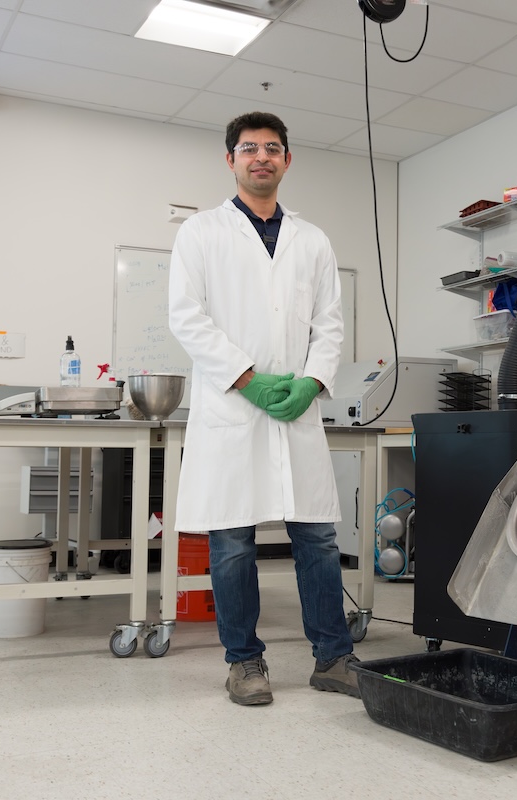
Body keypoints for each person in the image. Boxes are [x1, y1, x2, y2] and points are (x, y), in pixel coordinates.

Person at [168, 111, 357, 706]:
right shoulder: (200, 232)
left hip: (296, 410)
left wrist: (313, 381)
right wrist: (245, 378)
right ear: (231, 160)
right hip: (233, 408)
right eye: (249, 149)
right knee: (232, 544)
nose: (261, 157)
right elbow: (186, 317)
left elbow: (330, 324)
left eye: (272, 148)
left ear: (286, 160)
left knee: (319, 540)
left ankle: (333, 656)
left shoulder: (314, 240)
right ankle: (244, 663)